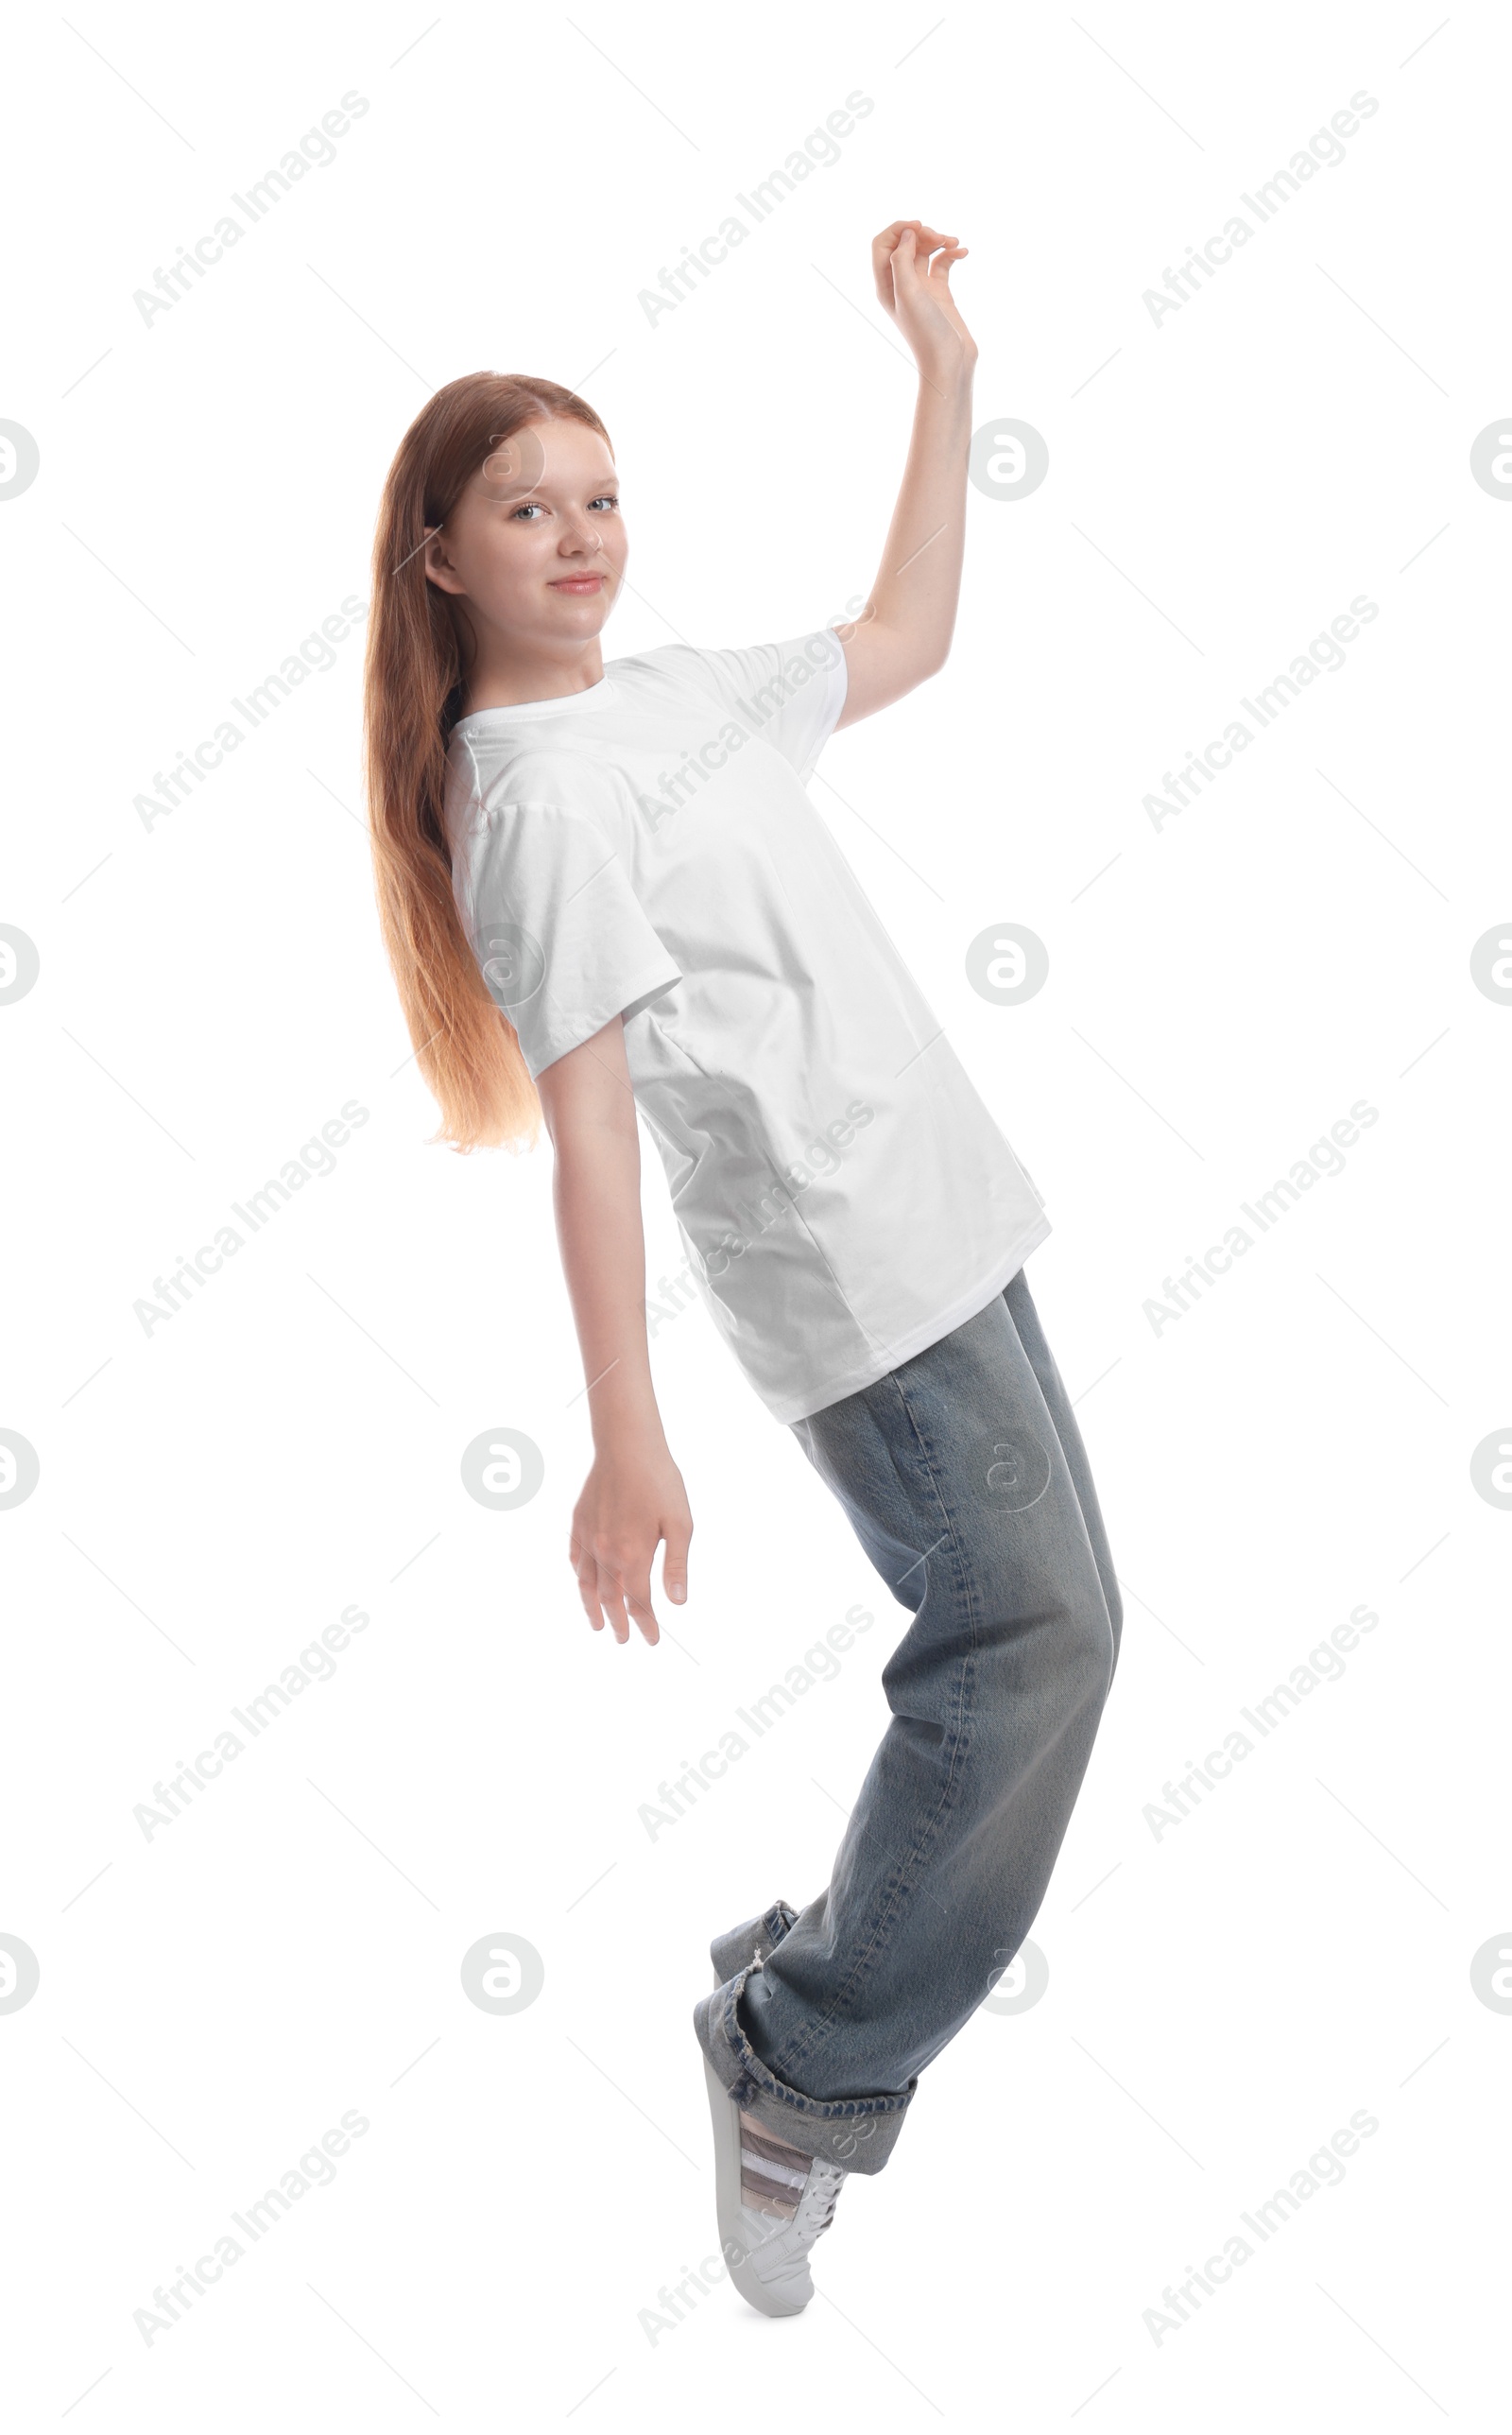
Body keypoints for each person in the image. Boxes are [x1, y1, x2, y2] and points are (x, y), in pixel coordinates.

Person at [362, 219, 1123, 2321]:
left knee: (1050, 1630)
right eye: (526, 506)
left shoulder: (675, 699)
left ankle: (801, 1980)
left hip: (951, 1214)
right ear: (438, 557)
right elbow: (590, 1134)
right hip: (849, 1277)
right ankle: (797, 2067)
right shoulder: (523, 801)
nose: (579, 533)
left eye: (598, 496)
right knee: (1024, 1641)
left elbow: (906, 633)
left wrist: (939, 369)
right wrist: (624, 1429)